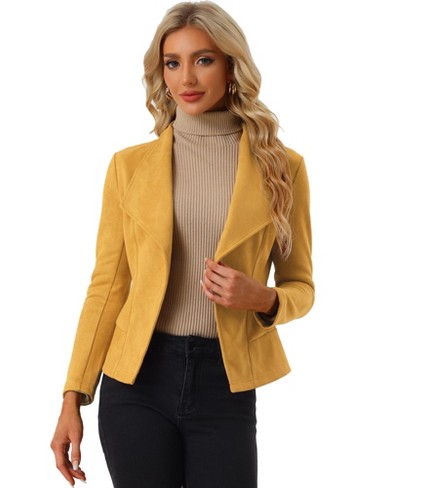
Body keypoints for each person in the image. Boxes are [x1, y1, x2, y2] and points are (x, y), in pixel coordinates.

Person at [50, 1, 314, 487]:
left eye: (204, 60)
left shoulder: (283, 168)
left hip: (225, 380)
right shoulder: (129, 167)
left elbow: (302, 286)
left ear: (231, 66)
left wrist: (264, 298)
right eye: (173, 63)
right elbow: (107, 287)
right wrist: (73, 397)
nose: (186, 78)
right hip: (136, 379)